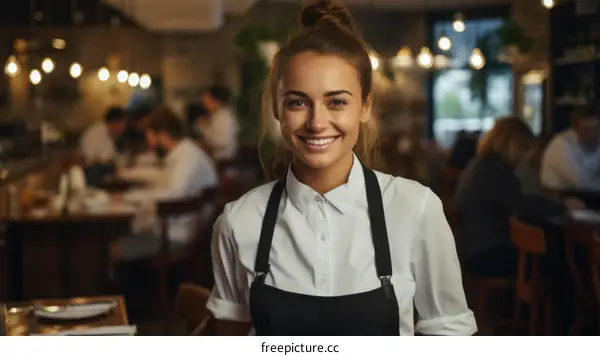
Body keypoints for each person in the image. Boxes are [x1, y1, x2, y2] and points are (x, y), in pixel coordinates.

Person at [206, 0, 476, 336]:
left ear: (365, 107)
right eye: (298, 102)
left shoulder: (416, 209)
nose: (317, 122)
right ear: (278, 109)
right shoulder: (239, 222)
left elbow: (448, 331)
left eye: (337, 101)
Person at [455, 117, 572, 277]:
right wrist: (563, 207)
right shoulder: (496, 170)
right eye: (524, 149)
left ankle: (527, 302)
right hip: (488, 254)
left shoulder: (480, 164)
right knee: (562, 261)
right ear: (514, 146)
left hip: (472, 249)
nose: (526, 157)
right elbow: (522, 205)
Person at [109, 107, 218, 261]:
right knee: (124, 233)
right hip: (180, 230)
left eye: (149, 134)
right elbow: (162, 177)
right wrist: (128, 178)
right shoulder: (183, 153)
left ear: (161, 134)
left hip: (176, 236)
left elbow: (174, 193)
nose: (148, 140)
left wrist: (128, 197)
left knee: (113, 249)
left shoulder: (187, 157)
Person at [541, 104, 600, 191]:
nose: (593, 135)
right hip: (555, 197)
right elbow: (582, 183)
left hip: (586, 196)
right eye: (586, 130)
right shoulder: (561, 145)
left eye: (596, 129)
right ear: (574, 130)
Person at [197, 85, 240, 161]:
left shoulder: (224, 116)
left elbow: (220, 142)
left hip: (223, 161)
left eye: (207, 101)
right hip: (217, 157)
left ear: (216, 101)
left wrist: (204, 127)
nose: (205, 105)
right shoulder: (217, 115)